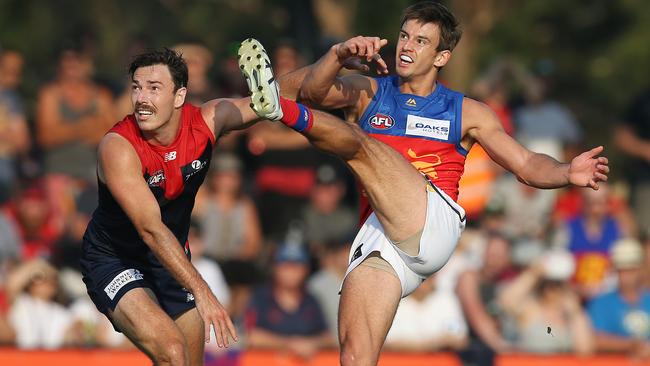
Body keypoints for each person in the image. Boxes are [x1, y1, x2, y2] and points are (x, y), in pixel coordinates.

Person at [238, 2, 609, 365]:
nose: (406, 46)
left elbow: (527, 164)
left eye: (420, 41)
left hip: (434, 223)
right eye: (404, 36)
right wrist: (336, 54)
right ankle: (282, 110)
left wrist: (567, 172)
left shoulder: (467, 110)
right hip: (380, 233)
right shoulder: (370, 90)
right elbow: (305, 92)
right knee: (354, 354)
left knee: (362, 145)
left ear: (441, 57)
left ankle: (281, 113)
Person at [80, 48, 272, 365]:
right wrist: (203, 291)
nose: (141, 98)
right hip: (114, 260)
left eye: (153, 88)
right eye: (136, 87)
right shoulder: (118, 146)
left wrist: (334, 57)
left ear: (179, 95)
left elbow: (291, 91)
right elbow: (151, 230)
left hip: (167, 260)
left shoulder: (207, 122)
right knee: (172, 351)